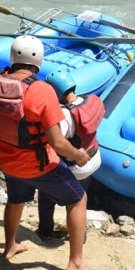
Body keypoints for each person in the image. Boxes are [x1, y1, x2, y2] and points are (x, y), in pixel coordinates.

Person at [0, 35, 95, 270]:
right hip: (38, 165)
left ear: (13, 58)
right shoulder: (41, 90)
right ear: (39, 61)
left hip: (8, 161)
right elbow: (57, 142)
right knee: (78, 199)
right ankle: (76, 263)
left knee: (16, 200)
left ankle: (10, 245)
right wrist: (78, 155)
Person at [37, 69, 104, 242]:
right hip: (94, 159)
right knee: (81, 195)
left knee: (50, 195)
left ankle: (46, 231)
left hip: (76, 165)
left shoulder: (66, 116)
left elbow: (57, 141)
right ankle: (81, 234)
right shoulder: (91, 101)